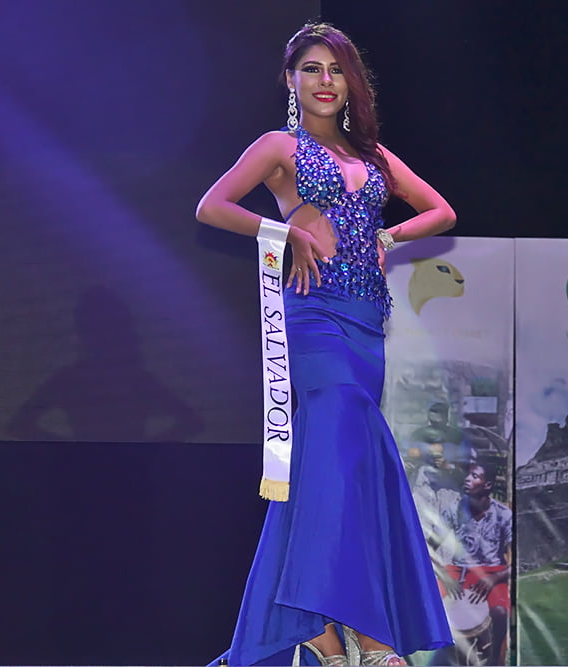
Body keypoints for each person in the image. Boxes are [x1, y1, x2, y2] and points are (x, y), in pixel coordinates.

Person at [195, 22, 456, 667]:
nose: (324, 81)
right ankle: (363, 634)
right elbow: (212, 205)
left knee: (337, 470)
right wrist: (280, 232)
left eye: (335, 70)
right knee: (346, 439)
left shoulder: (372, 157)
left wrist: (388, 239)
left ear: (350, 84)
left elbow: (441, 211)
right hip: (311, 316)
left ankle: (320, 627)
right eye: (311, 69)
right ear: (291, 80)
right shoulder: (279, 146)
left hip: (368, 321)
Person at [436, 460, 512, 665]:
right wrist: (443, 575)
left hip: (492, 571)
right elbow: (427, 548)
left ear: (487, 485)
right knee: (433, 605)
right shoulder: (453, 511)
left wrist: (494, 578)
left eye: (475, 476)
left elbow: (519, 561)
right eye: (467, 475)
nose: (468, 479)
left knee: (499, 612)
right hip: (457, 569)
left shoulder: (504, 515)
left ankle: (495, 660)